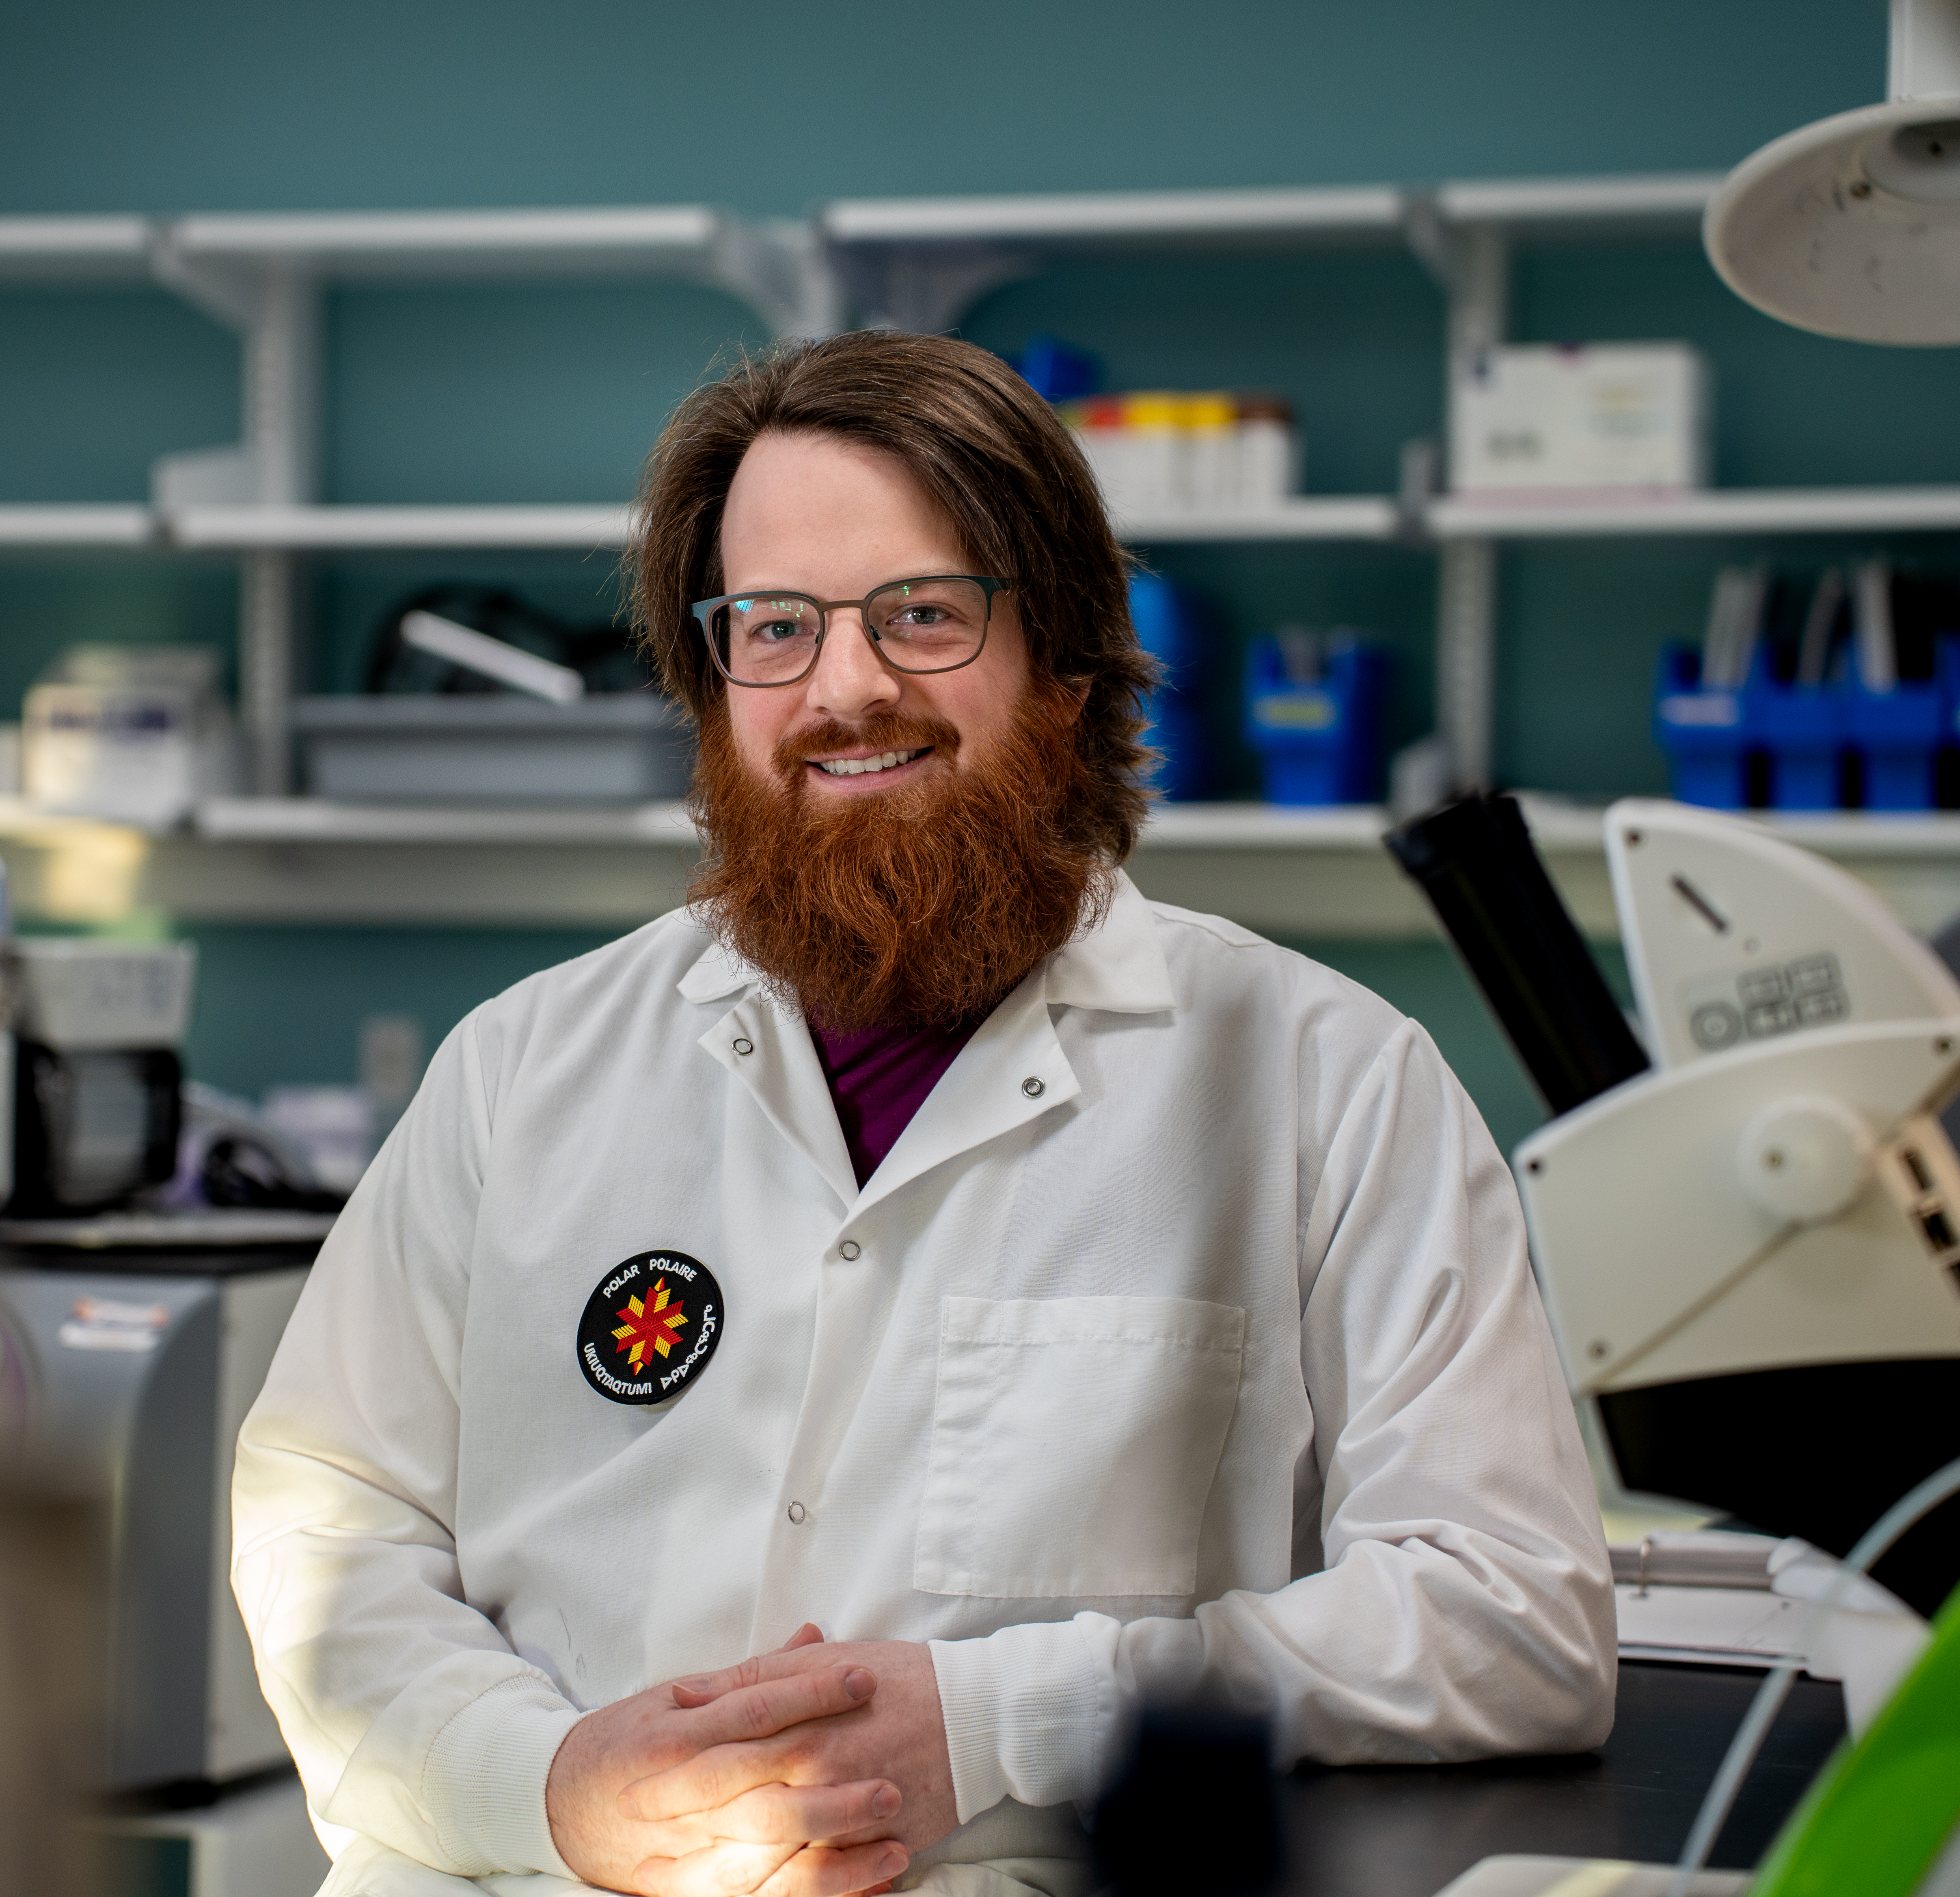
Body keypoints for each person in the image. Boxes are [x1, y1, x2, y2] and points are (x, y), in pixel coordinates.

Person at [233, 329, 1615, 1897]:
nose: (848, 688)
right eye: (774, 627)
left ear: (1070, 671)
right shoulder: (520, 1072)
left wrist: (1009, 1718)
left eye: (927, 615)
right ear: (713, 684)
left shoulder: (1325, 1080)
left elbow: (1515, 1618)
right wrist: (543, 1785)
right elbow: (331, 1527)